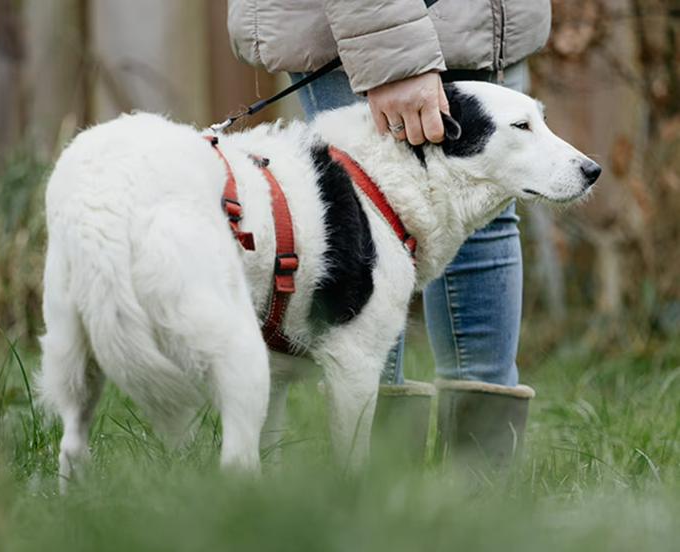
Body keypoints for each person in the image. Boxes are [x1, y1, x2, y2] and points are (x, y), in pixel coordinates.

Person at [227, 0, 551, 467]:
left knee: (489, 210)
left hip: (483, 19)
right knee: (373, 230)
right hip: (366, 27)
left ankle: (484, 493)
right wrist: (392, 55)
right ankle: (382, 490)